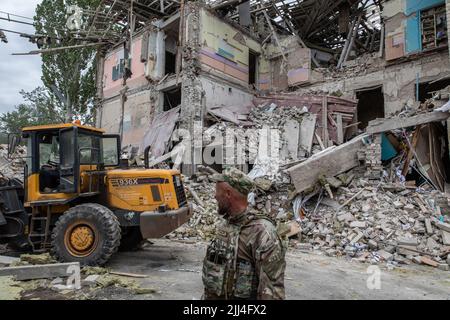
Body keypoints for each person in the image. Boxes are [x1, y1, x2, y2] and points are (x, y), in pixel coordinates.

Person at [201, 166, 287, 300]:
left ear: (228, 194)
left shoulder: (262, 232)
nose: (215, 196)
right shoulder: (227, 223)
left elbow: (272, 290)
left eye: (217, 191)